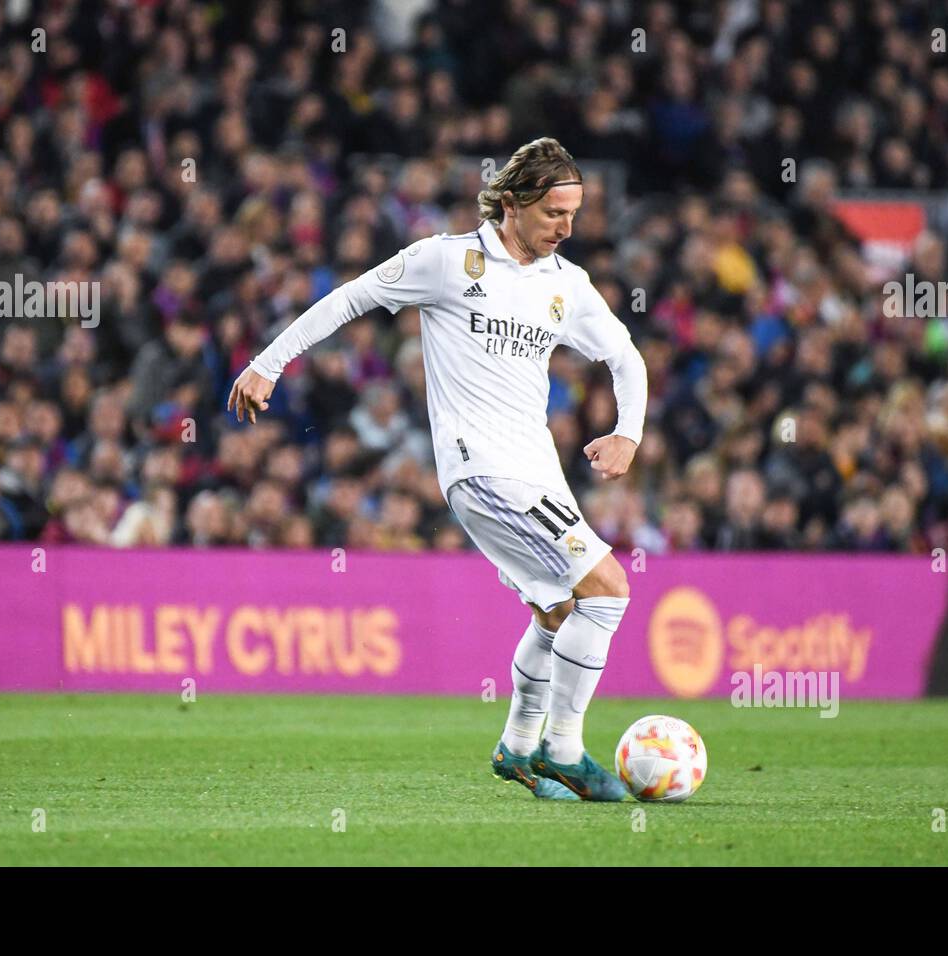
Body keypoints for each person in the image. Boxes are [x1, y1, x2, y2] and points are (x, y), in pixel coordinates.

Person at [229, 138, 647, 801]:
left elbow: (626, 358)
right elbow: (349, 299)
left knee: (560, 607)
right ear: (512, 204)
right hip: (482, 470)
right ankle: (564, 749)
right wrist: (268, 362)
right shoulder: (448, 261)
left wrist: (628, 432)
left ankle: (517, 745)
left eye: (574, 214)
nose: (567, 229)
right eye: (553, 214)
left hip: (536, 471)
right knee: (609, 589)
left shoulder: (567, 284)